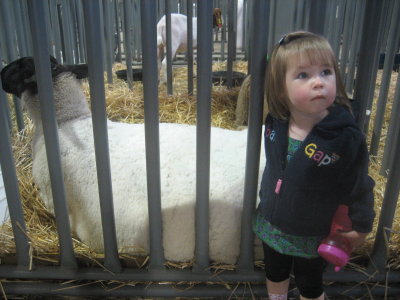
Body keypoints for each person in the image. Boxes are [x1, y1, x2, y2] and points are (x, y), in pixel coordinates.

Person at [253, 31, 375, 300]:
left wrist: (362, 224)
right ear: (280, 89)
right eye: (303, 75)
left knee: (310, 283)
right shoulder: (275, 122)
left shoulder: (345, 137)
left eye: (326, 72)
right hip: (271, 223)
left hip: (312, 232)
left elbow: (360, 184)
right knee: (274, 272)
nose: (319, 82)